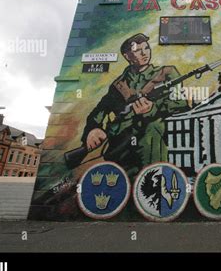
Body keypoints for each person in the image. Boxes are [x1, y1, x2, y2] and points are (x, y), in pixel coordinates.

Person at [81, 33, 188, 178]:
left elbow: (179, 106)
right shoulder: (119, 85)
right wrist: (93, 129)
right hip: (122, 141)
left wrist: (151, 110)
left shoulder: (167, 74)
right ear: (127, 56)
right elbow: (99, 111)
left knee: (151, 129)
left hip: (155, 137)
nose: (145, 53)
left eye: (147, 48)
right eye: (138, 50)